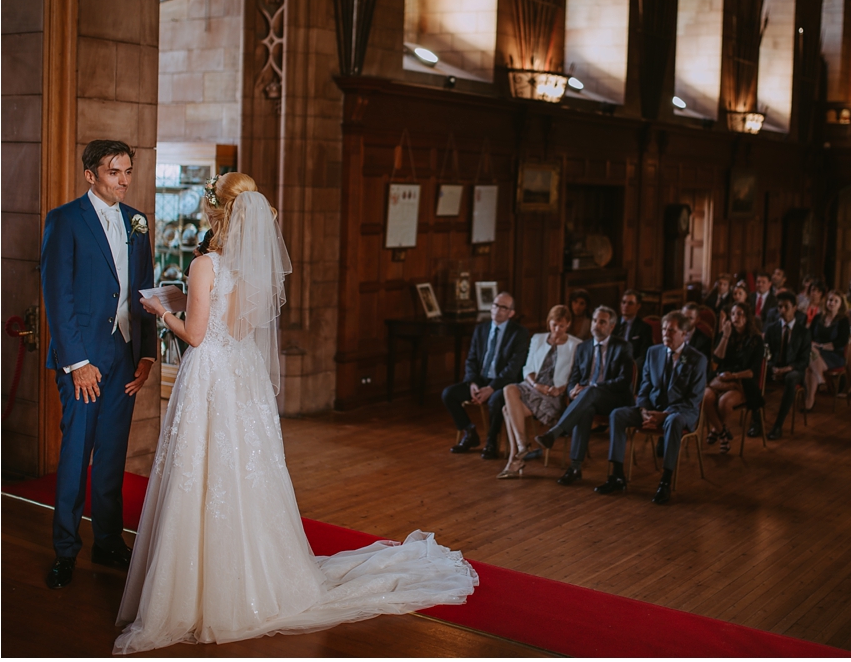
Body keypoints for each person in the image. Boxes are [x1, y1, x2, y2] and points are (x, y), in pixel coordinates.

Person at [117, 173, 477, 654]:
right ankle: (257, 579)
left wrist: (160, 310)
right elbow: (237, 327)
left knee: (201, 474)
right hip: (241, 378)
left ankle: (199, 591)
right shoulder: (252, 269)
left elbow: (199, 336)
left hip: (210, 378)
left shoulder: (206, 265)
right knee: (245, 476)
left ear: (216, 212)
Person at [39, 140, 157, 591]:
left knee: (112, 456)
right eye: (114, 172)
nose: (124, 180)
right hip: (83, 360)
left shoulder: (137, 223)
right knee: (75, 456)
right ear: (91, 175)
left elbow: (143, 290)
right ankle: (65, 551)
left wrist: (146, 354)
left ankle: (108, 542)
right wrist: (77, 363)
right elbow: (57, 295)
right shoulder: (65, 220)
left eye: (127, 171)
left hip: (125, 356)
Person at [594, 311, 708, 505]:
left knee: (673, 421)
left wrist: (664, 415)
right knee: (617, 415)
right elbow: (645, 386)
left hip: (680, 412)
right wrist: (644, 410)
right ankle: (617, 475)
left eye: (671, 331)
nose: (666, 334)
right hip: (652, 409)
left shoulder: (697, 359)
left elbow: (692, 400)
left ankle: (665, 481)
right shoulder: (653, 352)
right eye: (664, 329)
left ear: (684, 333)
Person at [533, 306, 635, 486]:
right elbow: (574, 378)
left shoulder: (623, 347)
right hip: (588, 399)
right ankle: (575, 468)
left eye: (602, 322)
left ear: (611, 326)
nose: (596, 325)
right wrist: (572, 389)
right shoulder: (583, 347)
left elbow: (623, 381)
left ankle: (556, 432)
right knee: (585, 409)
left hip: (614, 399)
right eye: (595, 320)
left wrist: (591, 387)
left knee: (591, 392)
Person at [441, 292, 530, 459]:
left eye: (503, 307)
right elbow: (471, 359)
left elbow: (513, 368)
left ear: (511, 313)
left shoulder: (519, 333)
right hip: (480, 379)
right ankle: (470, 433)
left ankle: (491, 442)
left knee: (496, 400)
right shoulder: (481, 329)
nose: (497, 310)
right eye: (495, 305)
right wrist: (473, 382)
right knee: (449, 394)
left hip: (504, 383)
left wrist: (491, 388)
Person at [498, 305, 581, 478]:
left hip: (554, 395)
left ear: (568, 325)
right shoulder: (537, 338)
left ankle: (516, 458)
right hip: (533, 387)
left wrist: (561, 389)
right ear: (548, 322)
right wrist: (536, 385)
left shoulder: (576, 345)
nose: (557, 330)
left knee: (507, 410)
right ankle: (522, 447)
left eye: (562, 326)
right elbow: (527, 367)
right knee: (509, 389)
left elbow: (575, 374)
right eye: (554, 325)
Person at [701, 302, 764, 453]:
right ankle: (722, 433)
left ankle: (716, 430)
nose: (736, 317)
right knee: (705, 397)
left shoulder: (756, 340)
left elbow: (752, 372)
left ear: (747, 317)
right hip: (722, 377)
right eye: (733, 314)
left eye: (740, 313)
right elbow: (717, 359)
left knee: (724, 402)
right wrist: (726, 334)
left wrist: (733, 376)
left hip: (742, 381)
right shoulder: (727, 333)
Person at [749, 292, 811, 441]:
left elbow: (804, 361)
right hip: (773, 368)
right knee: (753, 375)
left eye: (786, 307)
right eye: (780, 307)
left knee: (791, 379)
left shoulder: (803, 332)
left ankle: (778, 425)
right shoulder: (771, 328)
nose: (782, 310)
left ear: (794, 308)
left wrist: (787, 369)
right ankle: (756, 422)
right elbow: (766, 353)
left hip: (793, 370)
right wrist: (772, 368)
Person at [802, 290, 850, 411]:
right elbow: (809, 335)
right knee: (810, 358)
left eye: (835, 301)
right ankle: (816, 386)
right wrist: (814, 344)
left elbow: (842, 341)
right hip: (815, 352)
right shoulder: (818, 317)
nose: (832, 303)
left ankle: (809, 400)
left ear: (841, 304)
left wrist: (822, 346)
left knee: (809, 366)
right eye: (830, 300)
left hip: (834, 355)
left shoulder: (843, 321)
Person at [613, 289, 652, 372]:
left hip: (632, 366)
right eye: (623, 302)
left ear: (638, 306)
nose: (625, 306)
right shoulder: (612, 324)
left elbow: (644, 354)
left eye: (630, 303)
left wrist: (633, 368)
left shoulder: (644, 328)